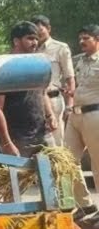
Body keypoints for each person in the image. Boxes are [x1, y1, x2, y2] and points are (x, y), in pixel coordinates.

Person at [0, 22, 56, 158]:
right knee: (19, 178)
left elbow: (42, 93)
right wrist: (7, 143)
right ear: (16, 41)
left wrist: (50, 116)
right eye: (30, 38)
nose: (35, 42)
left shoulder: (37, 64)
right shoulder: (2, 69)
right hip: (17, 138)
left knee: (54, 175)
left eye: (37, 39)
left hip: (42, 134)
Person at [66, 25, 99, 224]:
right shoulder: (79, 61)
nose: (81, 42)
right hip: (75, 114)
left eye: (86, 38)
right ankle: (85, 204)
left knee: (98, 165)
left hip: (95, 114)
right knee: (67, 161)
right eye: (80, 38)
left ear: (97, 39)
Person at [32, 15, 76, 146]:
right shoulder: (29, 50)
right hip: (34, 101)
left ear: (48, 29)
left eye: (41, 30)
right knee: (38, 141)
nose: (38, 34)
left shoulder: (60, 48)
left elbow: (70, 77)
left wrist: (70, 105)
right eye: (34, 31)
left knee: (56, 141)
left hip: (53, 99)